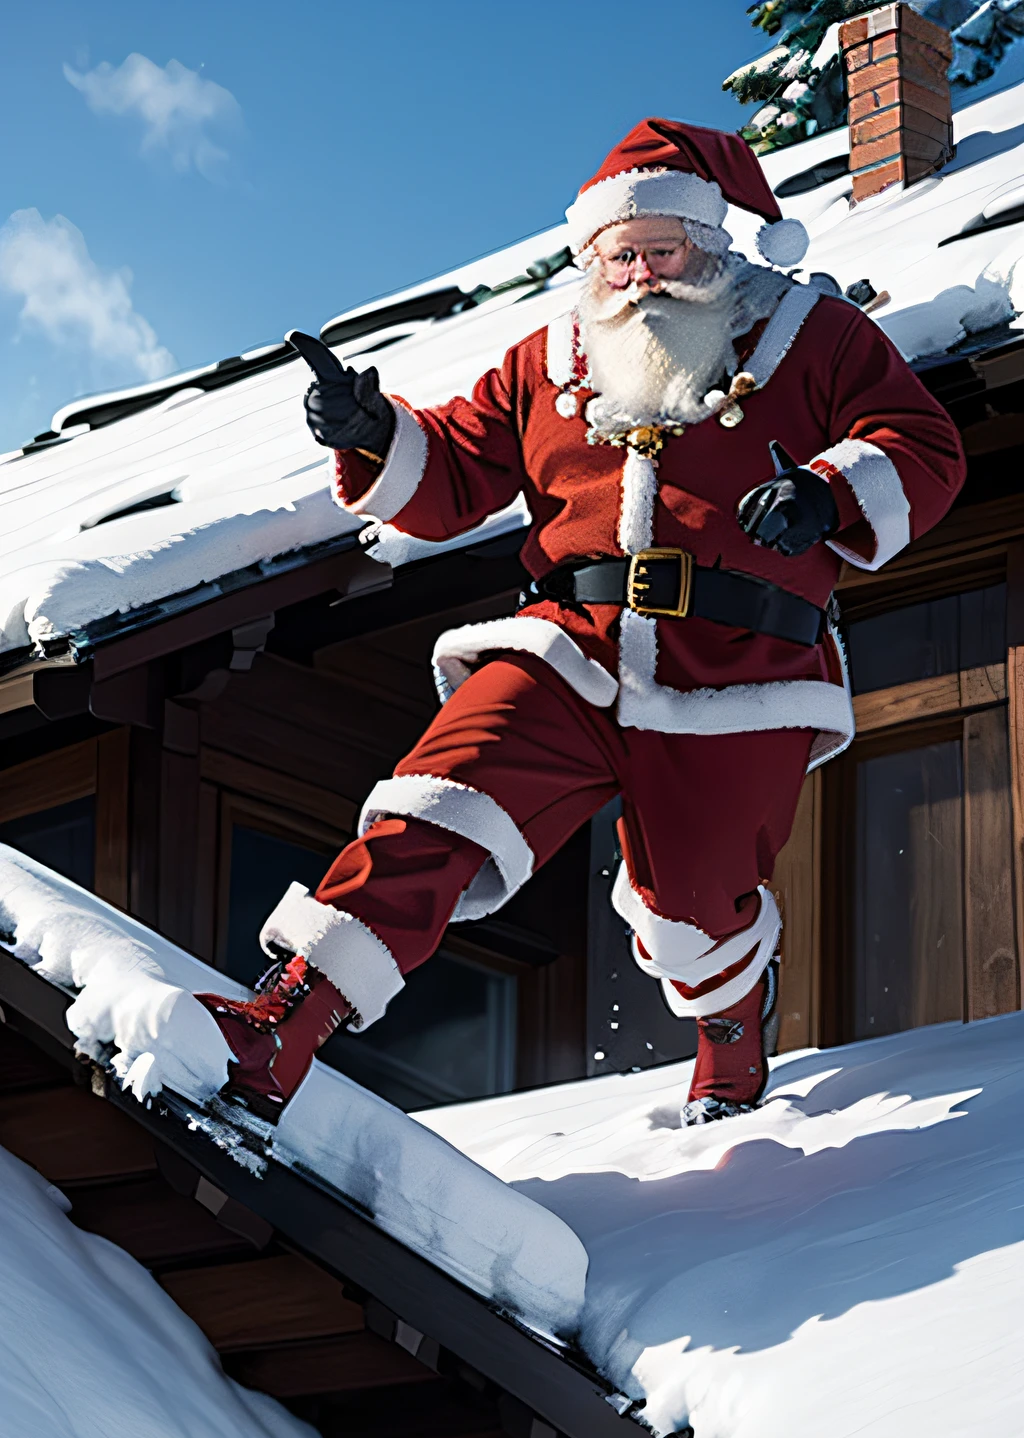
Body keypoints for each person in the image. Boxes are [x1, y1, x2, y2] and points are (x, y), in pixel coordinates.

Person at [196, 119, 965, 1124]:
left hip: (741, 667)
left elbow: (922, 444)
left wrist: (829, 492)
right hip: (571, 644)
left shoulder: (810, 337)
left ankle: (729, 1030)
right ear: (589, 256)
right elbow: (455, 475)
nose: (641, 273)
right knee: (438, 800)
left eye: (662, 250)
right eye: (620, 253)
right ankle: (281, 1023)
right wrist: (372, 434)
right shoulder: (547, 359)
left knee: (694, 910)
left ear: (710, 246)